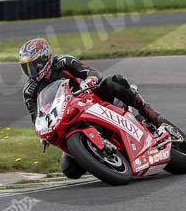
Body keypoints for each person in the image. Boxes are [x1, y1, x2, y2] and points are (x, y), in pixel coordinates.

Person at [19, 38, 165, 178]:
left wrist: (90, 79)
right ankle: (100, 158)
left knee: (114, 81)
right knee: (70, 170)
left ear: (45, 58)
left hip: (87, 99)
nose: (30, 71)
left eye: (33, 65)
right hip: (64, 119)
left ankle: (147, 111)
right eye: (26, 67)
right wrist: (42, 134)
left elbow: (91, 72)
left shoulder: (63, 61)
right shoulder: (29, 91)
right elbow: (36, 116)